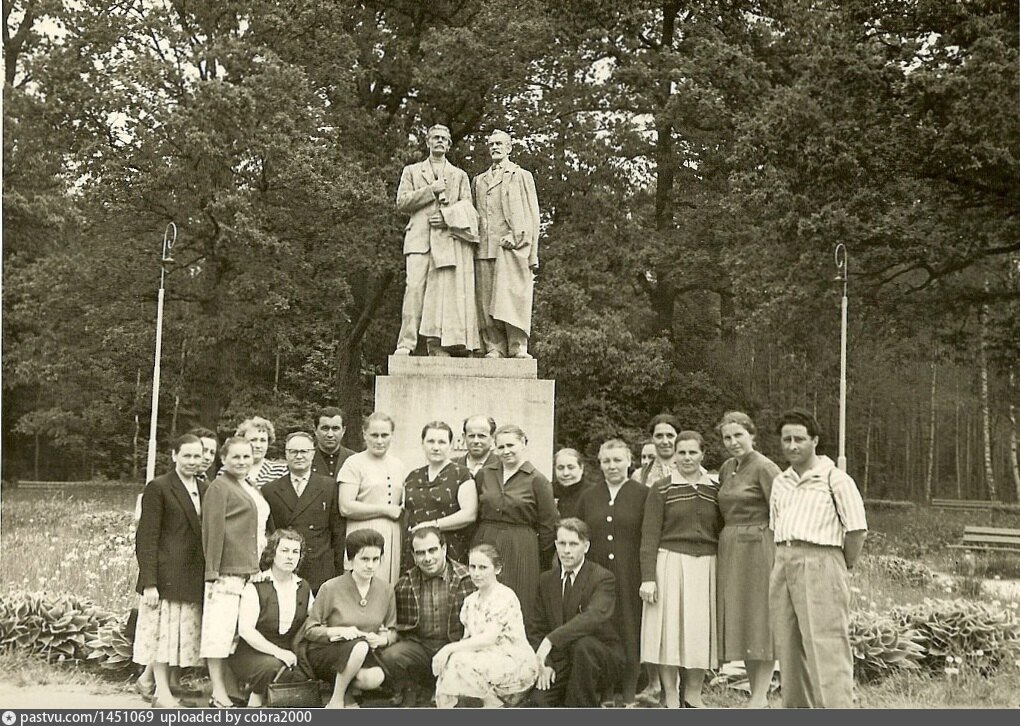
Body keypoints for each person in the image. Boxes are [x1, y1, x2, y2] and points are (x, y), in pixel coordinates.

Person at [769, 409, 867, 709]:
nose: (792, 445)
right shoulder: (780, 482)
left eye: (799, 439)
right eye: (786, 439)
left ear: (814, 441)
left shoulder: (835, 479)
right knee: (788, 646)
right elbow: (775, 526)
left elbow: (856, 531)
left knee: (826, 646)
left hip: (822, 561)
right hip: (784, 561)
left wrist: (838, 564)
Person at [639, 431, 723, 709]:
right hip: (669, 564)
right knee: (669, 633)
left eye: (692, 452)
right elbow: (649, 535)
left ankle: (693, 696)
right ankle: (672, 696)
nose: (687, 458)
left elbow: (721, 530)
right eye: (682, 452)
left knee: (699, 631)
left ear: (703, 454)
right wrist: (648, 578)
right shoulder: (662, 488)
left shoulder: (715, 489)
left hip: (706, 565)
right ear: (674, 455)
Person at [133, 434, 207, 708]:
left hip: (191, 575)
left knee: (178, 636)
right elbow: (146, 537)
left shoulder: (205, 487)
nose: (192, 461)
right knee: (162, 637)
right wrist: (149, 582)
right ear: (174, 455)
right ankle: (161, 693)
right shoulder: (159, 487)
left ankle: (152, 681)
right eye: (186, 455)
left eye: (197, 456)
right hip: (165, 577)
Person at [716, 411, 783, 708]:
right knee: (742, 619)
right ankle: (757, 693)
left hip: (759, 548)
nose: (733, 442)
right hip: (731, 547)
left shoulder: (765, 467)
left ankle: (759, 696)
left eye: (738, 435)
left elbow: (782, 512)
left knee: (760, 618)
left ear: (752, 435)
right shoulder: (727, 467)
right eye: (727, 437)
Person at [576, 439, 648, 707]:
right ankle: (606, 692)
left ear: (629, 461)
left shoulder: (643, 494)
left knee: (630, 628)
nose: (612, 466)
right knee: (602, 628)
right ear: (599, 463)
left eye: (617, 460)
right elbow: (579, 533)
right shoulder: (589, 496)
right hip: (597, 575)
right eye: (606, 461)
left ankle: (628, 694)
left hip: (631, 574)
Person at [394, 123, 477, 356]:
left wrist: (448, 217)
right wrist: (431, 189)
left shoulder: (459, 175)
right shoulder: (412, 171)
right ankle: (406, 343)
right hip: (418, 240)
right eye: (435, 137)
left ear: (449, 145)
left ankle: (437, 345)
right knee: (413, 290)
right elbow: (402, 202)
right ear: (428, 142)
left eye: (444, 138)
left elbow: (468, 208)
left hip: (447, 240)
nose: (439, 141)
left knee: (442, 296)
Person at [528, 519, 624, 707]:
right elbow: (536, 628)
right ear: (555, 544)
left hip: (598, 658)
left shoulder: (602, 578)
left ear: (586, 547)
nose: (566, 550)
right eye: (562, 543)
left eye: (573, 544)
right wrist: (547, 664)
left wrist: (551, 640)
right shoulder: (546, 580)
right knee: (537, 703)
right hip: (561, 660)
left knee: (583, 646)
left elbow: (593, 617)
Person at [297, 529, 396, 708]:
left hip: (363, 654)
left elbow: (392, 630)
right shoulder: (331, 588)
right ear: (350, 560)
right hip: (328, 652)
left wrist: (382, 639)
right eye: (364, 559)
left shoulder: (386, 590)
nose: (370, 565)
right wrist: (338, 631)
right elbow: (310, 630)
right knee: (359, 646)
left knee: (375, 678)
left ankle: (346, 687)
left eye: (375, 559)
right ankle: (337, 699)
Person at [377, 527, 476, 704]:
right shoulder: (405, 584)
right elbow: (394, 624)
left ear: (444, 549)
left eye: (432, 550)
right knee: (392, 655)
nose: (427, 558)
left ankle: (446, 691)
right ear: (414, 556)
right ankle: (412, 687)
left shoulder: (467, 579)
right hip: (421, 647)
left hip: (455, 646)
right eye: (420, 553)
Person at [433, 544, 539, 707]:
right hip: (484, 658)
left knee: (458, 660)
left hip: (514, 660)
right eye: (472, 567)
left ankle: (493, 705)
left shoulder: (504, 596)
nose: (476, 573)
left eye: (483, 567)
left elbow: (488, 639)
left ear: (497, 569)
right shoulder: (470, 601)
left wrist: (448, 649)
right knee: (453, 661)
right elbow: (467, 640)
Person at [201, 437, 264, 709]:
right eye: (235, 457)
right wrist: (212, 571)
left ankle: (231, 687)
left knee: (237, 634)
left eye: (246, 456)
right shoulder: (219, 487)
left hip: (248, 570)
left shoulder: (248, 484)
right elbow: (212, 530)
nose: (241, 461)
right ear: (223, 459)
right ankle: (218, 692)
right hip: (226, 572)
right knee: (218, 633)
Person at [472, 424, 558, 623]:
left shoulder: (538, 480)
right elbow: (476, 512)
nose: (506, 451)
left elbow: (548, 525)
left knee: (520, 597)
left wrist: (534, 553)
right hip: (486, 539)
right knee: (484, 595)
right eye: (501, 447)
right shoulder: (485, 474)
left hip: (521, 546)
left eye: (510, 445)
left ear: (523, 443)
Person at [471, 129, 540, 359]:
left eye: (499, 144)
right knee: (485, 301)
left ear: (509, 148)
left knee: (513, 298)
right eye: (491, 144)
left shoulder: (521, 175)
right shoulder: (479, 180)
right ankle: (494, 346)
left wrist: (526, 244)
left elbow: (532, 214)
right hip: (484, 247)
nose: (495, 147)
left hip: (512, 248)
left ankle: (518, 345)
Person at [230, 529, 314, 707]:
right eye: (284, 550)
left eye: (295, 552)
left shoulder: (303, 587)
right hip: (253, 652)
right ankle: (255, 702)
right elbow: (246, 630)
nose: (290, 557)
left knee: (301, 674)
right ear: (272, 553)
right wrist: (278, 652)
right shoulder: (256, 586)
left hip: (288, 651)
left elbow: (314, 619)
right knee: (272, 667)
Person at [262, 432, 345, 593]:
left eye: (304, 451)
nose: (299, 456)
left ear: (312, 454)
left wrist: (338, 570)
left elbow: (338, 532)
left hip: (319, 567)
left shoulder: (329, 486)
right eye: (293, 451)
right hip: (284, 567)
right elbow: (269, 533)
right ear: (286, 454)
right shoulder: (270, 490)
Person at [338, 412, 406, 584]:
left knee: (388, 586)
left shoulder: (398, 465)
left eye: (385, 435)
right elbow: (345, 507)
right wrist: (385, 510)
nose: (379, 441)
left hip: (392, 534)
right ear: (365, 434)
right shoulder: (353, 463)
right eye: (374, 435)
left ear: (392, 436)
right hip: (362, 532)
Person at [402, 421, 478, 565]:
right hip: (417, 548)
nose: (436, 447)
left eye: (442, 442)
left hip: (450, 547)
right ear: (422, 444)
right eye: (431, 441)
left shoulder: (462, 474)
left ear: (450, 445)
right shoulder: (413, 476)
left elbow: (469, 514)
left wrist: (433, 525)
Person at [235, 416, 288, 489]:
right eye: (253, 440)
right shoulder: (229, 470)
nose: (258, 445)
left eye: (263, 440)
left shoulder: (281, 471)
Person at [311, 407, 356, 480]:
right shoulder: (306, 459)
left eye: (335, 428)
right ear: (315, 430)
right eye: (325, 428)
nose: (330, 434)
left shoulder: (355, 460)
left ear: (343, 431)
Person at [638, 414, 681, 485]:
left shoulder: (694, 472)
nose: (665, 442)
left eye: (670, 436)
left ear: (678, 438)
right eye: (659, 436)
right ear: (652, 439)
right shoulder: (639, 476)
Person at [552, 448, 593, 520]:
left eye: (571, 468)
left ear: (581, 468)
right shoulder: (548, 491)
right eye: (560, 468)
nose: (565, 473)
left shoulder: (593, 493)